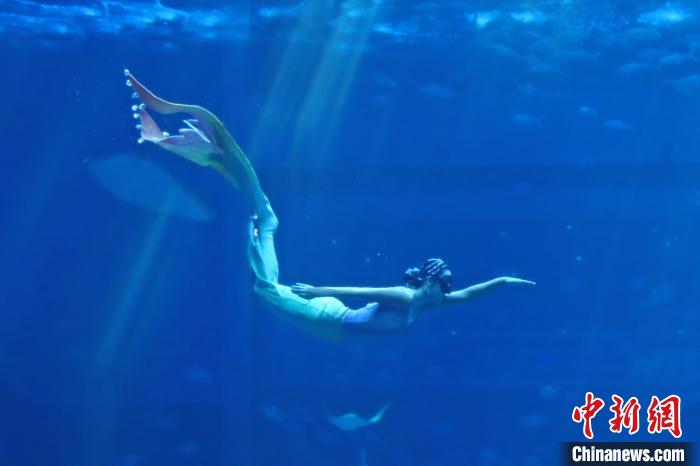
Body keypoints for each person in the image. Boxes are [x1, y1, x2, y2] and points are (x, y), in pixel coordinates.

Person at [124, 70, 536, 341]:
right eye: (443, 280)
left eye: (446, 281)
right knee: (265, 279)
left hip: (332, 319)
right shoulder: (407, 297)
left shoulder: (435, 301)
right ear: (429, 283)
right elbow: (361, 290)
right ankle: (211, 154)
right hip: (325, 316)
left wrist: (504, 281)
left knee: (267, 237)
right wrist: (315, 289)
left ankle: (214, 158)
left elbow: (472, 294)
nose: (447, 284)